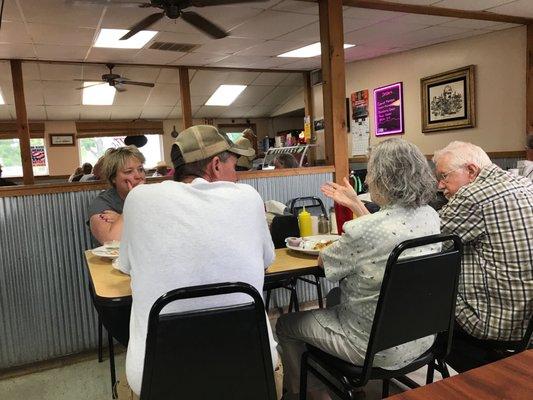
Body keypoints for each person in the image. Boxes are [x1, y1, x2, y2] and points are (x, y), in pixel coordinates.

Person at [115, 125, 280, 398]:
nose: (236, 175)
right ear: (216, 165)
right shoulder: (249, 197)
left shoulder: (139, 198)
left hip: (160, 383)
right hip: (252, 373)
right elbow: (266, 263)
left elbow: (127, 268)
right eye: (234, 165)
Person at [276, 138, 441, 400]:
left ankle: (306, 395)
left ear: (381, 178)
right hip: (421, 338)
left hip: (373, 348)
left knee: (286, 324)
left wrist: (353, 216)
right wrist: (355, 204)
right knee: (334, 299)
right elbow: (388, 232)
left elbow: (324, 262)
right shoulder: (430, 216)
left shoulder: (363, 231)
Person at [433, 141, 533, 372]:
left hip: (495, 323)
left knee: (420, 289)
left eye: (444, 176)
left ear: (471, 170)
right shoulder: (523, 182)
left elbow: (426, 242)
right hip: (527, 321)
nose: (440, 185)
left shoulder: (472, 196)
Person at [87, 146, 146, 245]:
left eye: (140, 169)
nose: (138, 176)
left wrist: (120, 218)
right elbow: (112, 241)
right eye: (128, 171)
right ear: (113, 178)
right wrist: (132, 202)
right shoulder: (101, 203)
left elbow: (165, 231)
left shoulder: (152, 196)